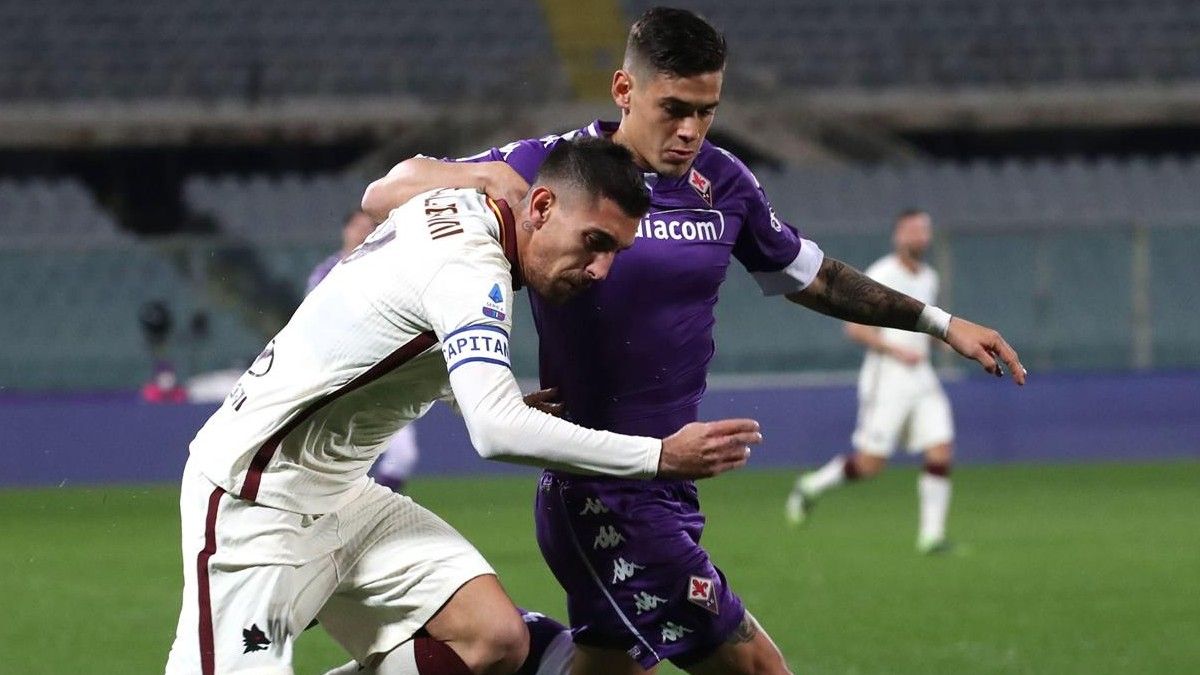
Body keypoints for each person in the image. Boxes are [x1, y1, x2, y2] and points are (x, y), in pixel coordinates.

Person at [362, 9, 1025, 674]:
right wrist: (489, 178)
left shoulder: (724, 182)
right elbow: (384, 191)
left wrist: (940, 323)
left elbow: (812, 276)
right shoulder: (557, 168)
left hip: (668, 484)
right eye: (673, 108)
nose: (689, 131)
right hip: (604, 489)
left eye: (706, 111)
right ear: (625, 91)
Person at [164, 137, 763, 675]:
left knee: (494, 638)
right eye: (594, 243)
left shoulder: (463, 210)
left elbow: (386, 227)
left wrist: (482, 177)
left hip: (342, 493)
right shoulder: (471, 268)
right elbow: (496, 432)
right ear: (542, 208)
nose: (601, 270)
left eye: (616, 253)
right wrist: (659, 455)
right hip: (255, 498)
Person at [786, 210, 957, 553]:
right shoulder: (882, 273)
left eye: (923, 229)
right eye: (912, 229)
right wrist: (896, 350)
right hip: (888, 377)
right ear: (898, 235)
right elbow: (855, 328)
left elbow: (926, 328)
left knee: (940, 450)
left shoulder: (929, 277)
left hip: (922, 377)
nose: (919, 235)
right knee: (870, 464)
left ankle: (931, 536)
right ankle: (812, 485)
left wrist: (951, 339)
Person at [308, 209, 420, 492]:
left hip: (380, 374)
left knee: (403, 454)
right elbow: (318, 326)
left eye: (368, 226)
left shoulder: (385, 270)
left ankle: (366, 515)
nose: (362, 232)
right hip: (339, 379)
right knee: (329, 458)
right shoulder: (326, 273)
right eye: (357, 226)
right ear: (345, 231)